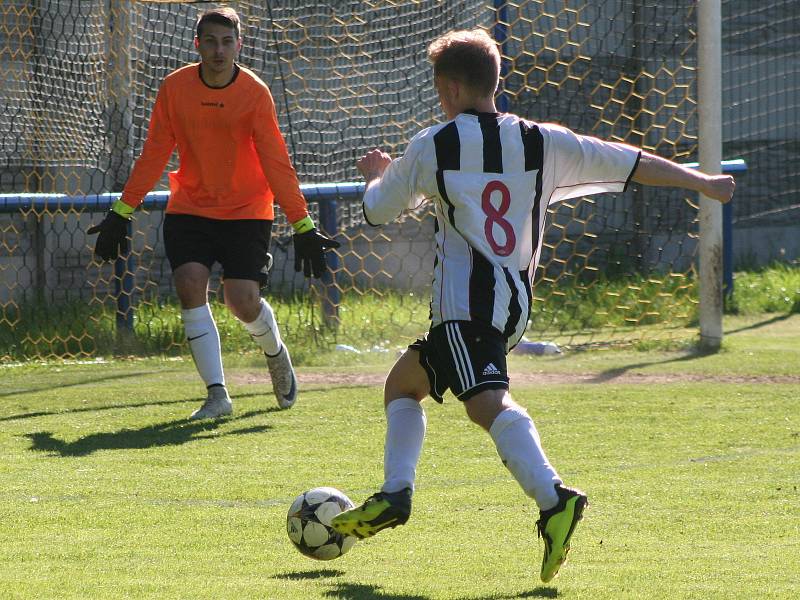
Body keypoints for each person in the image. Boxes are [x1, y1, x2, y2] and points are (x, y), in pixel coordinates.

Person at [330, 28, 735, 583]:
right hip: (514, 304)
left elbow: (377, 211)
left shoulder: (434, 144)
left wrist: (376, 174)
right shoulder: (542, 140)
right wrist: (702, 182)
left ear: (447, 87)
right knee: (404, 384)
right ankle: (394, 496)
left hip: (465, 305)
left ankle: (553, 499)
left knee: (485, 404)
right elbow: (630, 160)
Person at [88, 7, 339, 419]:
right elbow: (155, 153)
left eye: (227, 41)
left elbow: (277, 161)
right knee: (189, 283)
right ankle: (217, 396)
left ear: (239, 44)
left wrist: (302, 224)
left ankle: (275, 352)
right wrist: (121, 211)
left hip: (247, 210)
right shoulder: (174, 88)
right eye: (210, 41)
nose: (218, 50)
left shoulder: (255, 93)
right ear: (197, 45)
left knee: (241, 302)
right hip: (190, 207)